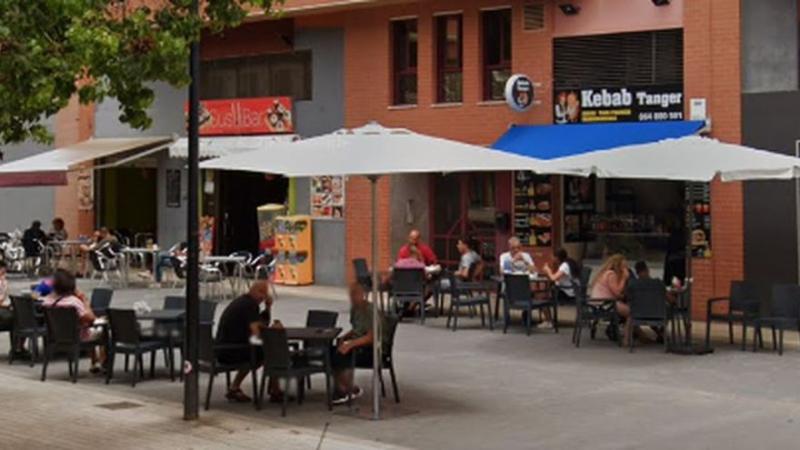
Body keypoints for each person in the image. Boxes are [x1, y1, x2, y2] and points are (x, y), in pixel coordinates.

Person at [216, 280, 276, 403]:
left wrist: (268, 308)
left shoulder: (243, 302)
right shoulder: (250, 305)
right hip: (231, 351)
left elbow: (261, 324)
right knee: (270, 353)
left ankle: (234, 388)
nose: (263, 297)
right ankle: (275, 390)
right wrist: (271, 337)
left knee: (262, 353)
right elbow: (256, 331)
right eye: (263, 293)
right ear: (256, 291)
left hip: (222, 349)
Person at [331, 283, 390, 405]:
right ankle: (343, 387)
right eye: (351, 295)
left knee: (341, 355)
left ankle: (346, 390)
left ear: (362, 295)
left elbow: (371, 337)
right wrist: (345, 337)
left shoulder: (370, 311)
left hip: (373, 349)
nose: (352, 298)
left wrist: (350, 344)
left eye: (355, 294)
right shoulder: (355, 309)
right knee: (332, 351)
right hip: (359, 343)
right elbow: (357, 328)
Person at [41, 269, 103, 371]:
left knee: (87, 328)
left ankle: (95, 361)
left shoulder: (47, 302)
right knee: (102, 333)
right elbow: (91, 318)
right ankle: (100, 363)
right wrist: (85, 301)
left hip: (56, 336)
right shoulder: (74, 302)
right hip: (77, 336)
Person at [590, 254, 634, 345]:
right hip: (605, 304)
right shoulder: (611, 274)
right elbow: (617, 292)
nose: (625, 268)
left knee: (628, 310)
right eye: (623, 266)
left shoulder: (605, 273)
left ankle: (641, 336)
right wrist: (624, 277)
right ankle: (626, 339)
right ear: (618, 266)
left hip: (599, 303)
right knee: (632, 312)